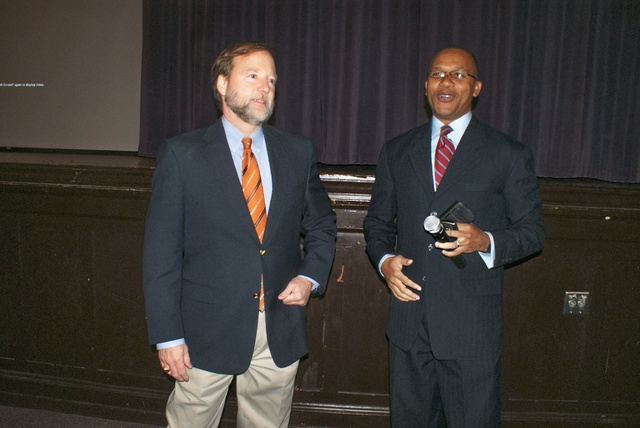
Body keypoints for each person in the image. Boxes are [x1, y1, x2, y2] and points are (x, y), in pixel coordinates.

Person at [143, 41, 336, 427]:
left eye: (272, 80)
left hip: (277, 328)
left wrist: (309, 275)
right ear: (221, 84)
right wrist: (167, 337)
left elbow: (321, 224)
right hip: (204, 332)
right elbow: (160, 254)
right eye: (253, 76)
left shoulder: (297, 152)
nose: (266, 87)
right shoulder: (182, 155)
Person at [363, 46, 544, 427]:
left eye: (458, 75)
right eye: (436, 74)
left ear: (476, 87)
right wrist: (385, 261)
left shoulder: (507, 154)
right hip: (409, 324)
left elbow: (531, 233)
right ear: (426, 86)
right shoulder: (397, 150)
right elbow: (377, 224)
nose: (445, 82)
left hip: (471, 328)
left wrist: (486, 241)